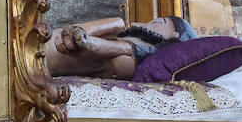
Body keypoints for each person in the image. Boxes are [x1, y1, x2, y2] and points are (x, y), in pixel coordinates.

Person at [45, 15, 198, 79]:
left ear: (173, 35)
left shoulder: (128, 61)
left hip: (43, 60)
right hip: (46, 41)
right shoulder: (121, 31)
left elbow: (95, 49)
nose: (147, 23)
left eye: (158, 22)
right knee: (118, 22)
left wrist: (128, 48)